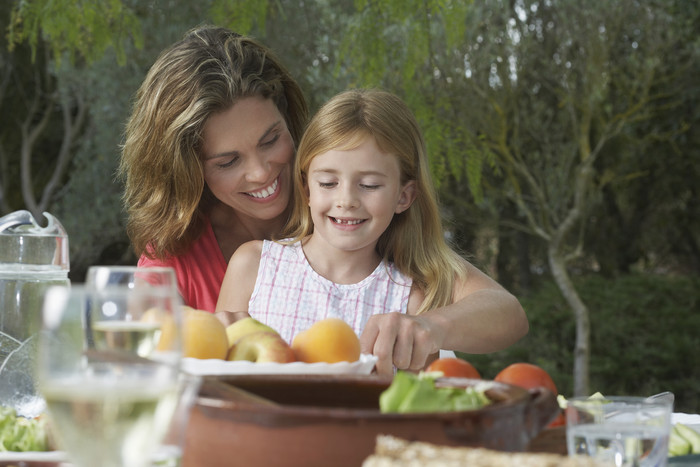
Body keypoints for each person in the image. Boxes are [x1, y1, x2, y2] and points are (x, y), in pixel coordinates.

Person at [216, 89, 528, 375]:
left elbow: (510, 314)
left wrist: (430, 326)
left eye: (369, 185)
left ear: (403, 197)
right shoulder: (253, 266)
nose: (347, 200)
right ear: (306, 189)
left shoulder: (409, 301)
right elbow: (214, 379)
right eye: (328, 183)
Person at [119, 26, 308, 314]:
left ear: (287, 116)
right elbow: (139, 345)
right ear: (188, 171)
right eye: (228, 162)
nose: (259, 172)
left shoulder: (348, 212)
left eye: (270, 140)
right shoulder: (176, 258)